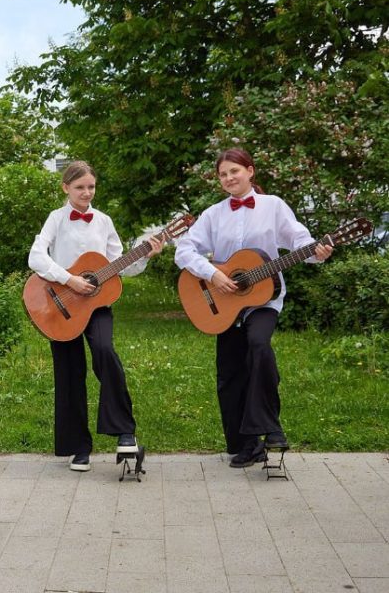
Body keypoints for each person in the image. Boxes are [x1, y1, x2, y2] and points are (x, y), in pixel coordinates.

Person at [175, 148, 332, 468]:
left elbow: (300, 240)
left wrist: (318, 252)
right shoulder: (213, 214)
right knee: (230, 373)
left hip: (264, 299)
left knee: (259, 346)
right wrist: (213, 274)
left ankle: (270, 427)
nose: (229, 178)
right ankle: (246, 445)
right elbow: (184, 250)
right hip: (223, 303)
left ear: (250, 171)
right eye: (223, 174)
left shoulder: (273, 206)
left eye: (235, 171)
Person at [28, 161, 163, 472]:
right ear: (65, 188)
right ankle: (79, 447)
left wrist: (144, 254)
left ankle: (125, 432)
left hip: (98, 305)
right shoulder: (56, 219)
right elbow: (36, 256)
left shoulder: (103, 221)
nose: (86, 193)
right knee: (69, 372)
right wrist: (69, 279)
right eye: (79, 188)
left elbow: (119, 264)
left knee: (105, 353)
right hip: (59, 305)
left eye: (90, 187)